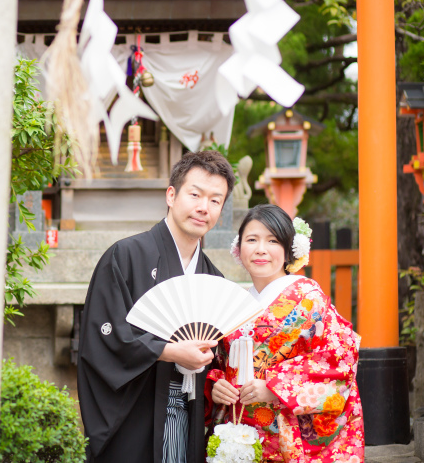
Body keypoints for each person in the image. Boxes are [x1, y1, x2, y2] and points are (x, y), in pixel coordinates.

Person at [77, 150, 236, 463]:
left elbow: (217, 361)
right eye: (195, 194)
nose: (204, 207)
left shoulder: (212, 278)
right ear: (172, 195)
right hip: (136, 411)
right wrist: (170, 351)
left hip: (187, 412)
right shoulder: (125, 256)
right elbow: (104, 335)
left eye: (215, 200)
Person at [207, 204, 364, 462]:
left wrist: (275, 387)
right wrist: (217, 385)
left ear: (289, 250)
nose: (260, 249)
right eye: (252, 239)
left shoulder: (309, 300)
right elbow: (219, 363)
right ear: (239, 248)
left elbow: (340, 362)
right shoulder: (234, 305)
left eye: (272, 240)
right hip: (240, 436)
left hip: (291, 437)